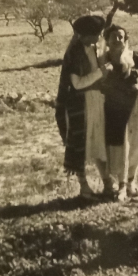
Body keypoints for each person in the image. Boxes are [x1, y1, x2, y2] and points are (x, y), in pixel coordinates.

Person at [99, 24, 138, 199]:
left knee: (134, 143)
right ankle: (119, 185)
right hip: (113, 106)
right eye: (113, 37)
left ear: (125, 40)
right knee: (118, 145)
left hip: (133, 104)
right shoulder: (102, 59)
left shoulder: (131, 57)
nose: (117, 40)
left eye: (121, 37)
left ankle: (130, 183)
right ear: (107, 40)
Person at [55, 14, 110, 198]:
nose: (99, 36)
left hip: (95, 101)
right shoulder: (75, 53)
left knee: (98, 142)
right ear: (87, 35)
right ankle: (84, 187)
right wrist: (101, 73)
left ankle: (108, 183)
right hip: (80, 104)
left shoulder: (94, 48)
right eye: (97, 34)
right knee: (81, 144)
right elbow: (77, 84)